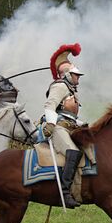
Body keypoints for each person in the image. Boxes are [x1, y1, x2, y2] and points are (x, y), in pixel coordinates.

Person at [42, 43, 87, 208]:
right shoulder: (60, 86)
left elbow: (71, 116)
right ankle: (64, 193)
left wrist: (84, 125)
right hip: (58, 127)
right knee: (72, 152)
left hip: (70, 126)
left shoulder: (71, 89)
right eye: (76, 75)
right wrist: (51, 124)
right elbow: (49, 106)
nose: (78, 78)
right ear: (67, 75)